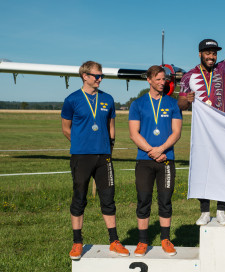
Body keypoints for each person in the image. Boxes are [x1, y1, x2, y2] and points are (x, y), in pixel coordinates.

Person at [178, 12, 225, 227]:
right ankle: (205, 211)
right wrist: (186, 101)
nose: (212, 56)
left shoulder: (223, 68)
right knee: (202, 169)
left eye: (214, 53)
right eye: (208, 53)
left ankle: (222, 211)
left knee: (224, 168)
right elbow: (179, 104)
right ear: (200, 54)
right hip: (202, 131)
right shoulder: (188, 76)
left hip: (223, 128)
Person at [61, 61, 129, 260]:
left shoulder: (107, 99)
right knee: (79, 198)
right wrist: (81, 144)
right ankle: (77, 242)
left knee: (108, 199)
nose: (99, 79)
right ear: (85, 76)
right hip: (81, 157)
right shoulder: (72, 99)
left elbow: (111, 127)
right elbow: (66, 128)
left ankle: (114, 241)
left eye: (101, 76)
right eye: (96, 75)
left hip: (103, 157)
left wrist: (110, 147)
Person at [129, 65, 182, 257]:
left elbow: (176, 132)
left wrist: (161, 150)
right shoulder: (137, 104)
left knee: (165, 200)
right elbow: (134, 134)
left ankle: (165, 239)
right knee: (143, 200)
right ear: (149, 80)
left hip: (167, 159)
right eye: (158, 79)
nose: (162, 83)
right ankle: (142, 241)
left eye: (164, 79)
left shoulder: (172, 103)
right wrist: (152, 151)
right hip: (145, 160)